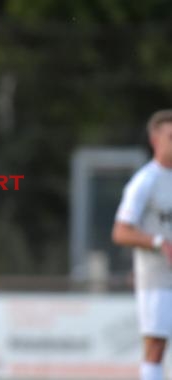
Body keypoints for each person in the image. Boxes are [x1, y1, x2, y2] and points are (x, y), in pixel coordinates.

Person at [112, 109, 172, 380]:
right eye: (171, 136)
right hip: (156, 278)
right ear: (155, 140)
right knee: (156, 347)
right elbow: (121, 231)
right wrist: (159, 242)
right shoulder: (145, 181)